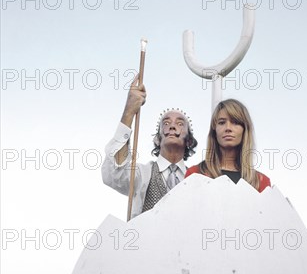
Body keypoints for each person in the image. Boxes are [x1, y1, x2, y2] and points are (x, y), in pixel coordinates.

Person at [102, 76, 198, 219]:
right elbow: (113, 174)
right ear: (157, 139)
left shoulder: (198, 180)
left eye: (179, 124)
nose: (172, 126)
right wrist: (129, 111)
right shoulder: (141, 173)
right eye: (165, 123)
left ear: (189, 141)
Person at [185, 99, 270, 192]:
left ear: (245, 130)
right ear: (214, 130)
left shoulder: (261, 182)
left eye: (235, 122)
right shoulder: (194, 174)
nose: (228, 128)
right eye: (221, 122)